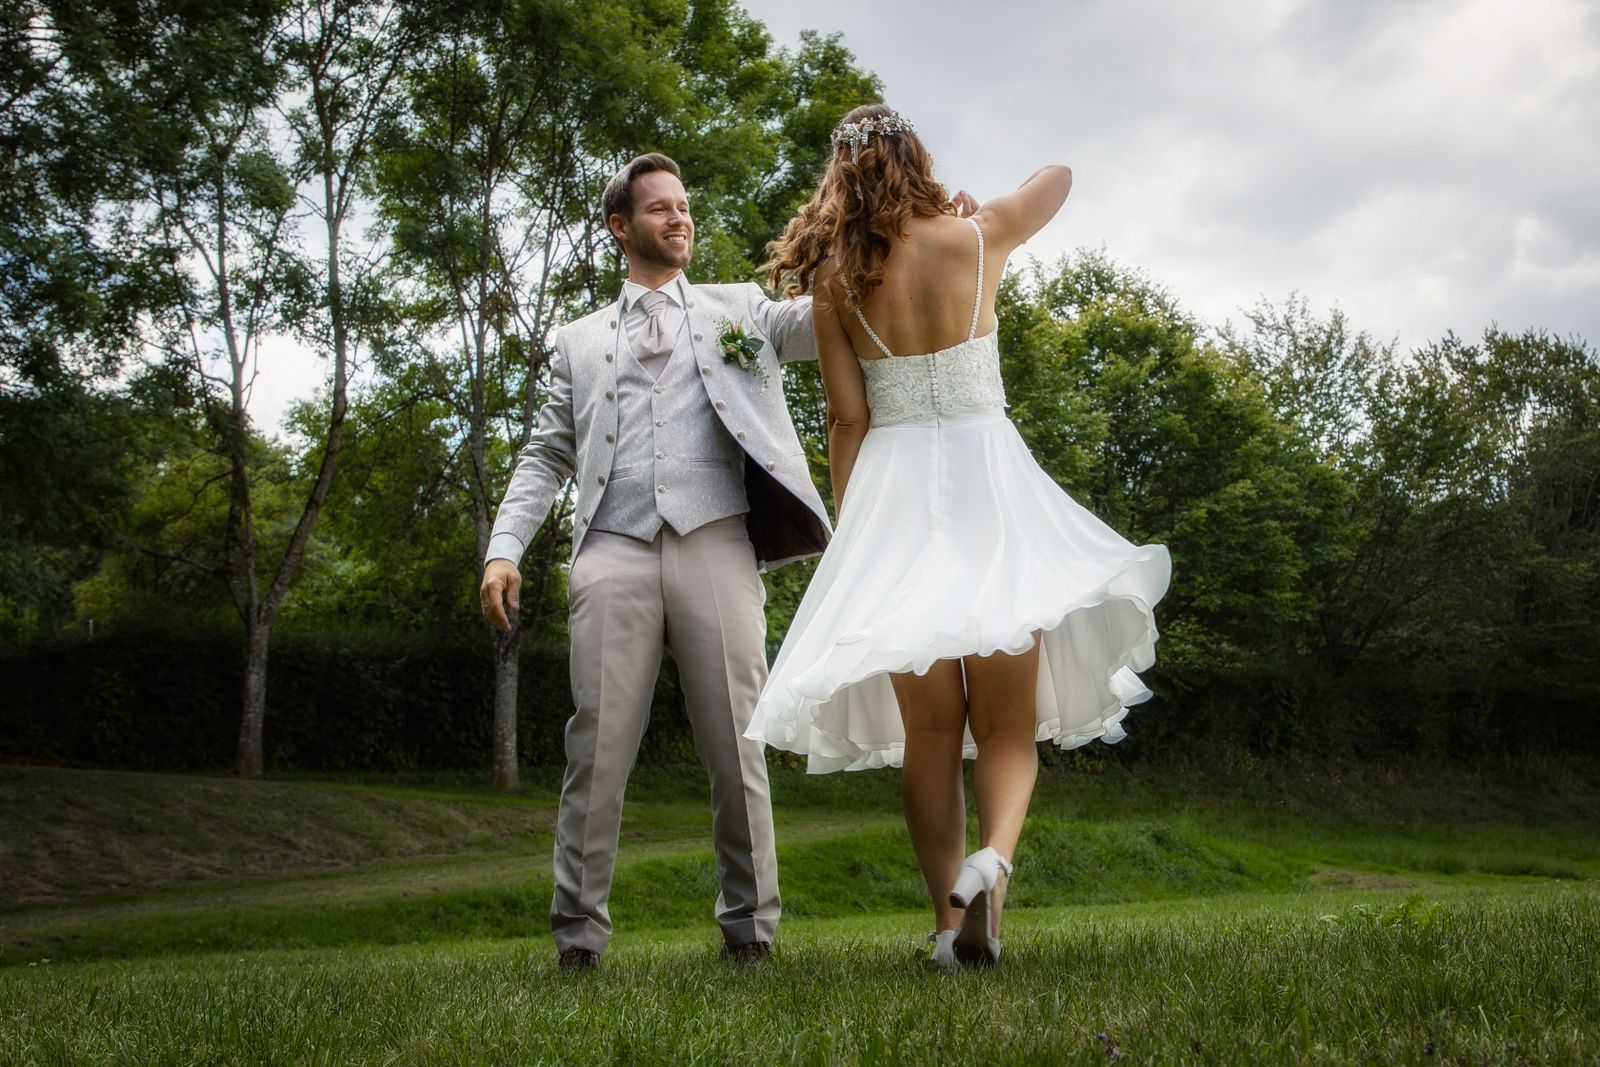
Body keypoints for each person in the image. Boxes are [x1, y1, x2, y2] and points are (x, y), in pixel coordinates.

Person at [746, 105, 1171, 968]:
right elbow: (1059, 177)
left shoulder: (836, 282)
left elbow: (847, 419)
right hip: (991, 491)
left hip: (897, 501)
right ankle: (995, 860)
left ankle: (948, 925)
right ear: (915, 158)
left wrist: (856, 532)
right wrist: (973, 203)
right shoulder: (978, 237)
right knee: (1008, 728)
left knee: (933, 737)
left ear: (841, 180)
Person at [479, 152, 830, 970]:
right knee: (595, 748)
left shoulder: (740, 309)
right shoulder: (576, 342)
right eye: (660, 208)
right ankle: (578, 938)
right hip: (612, 546)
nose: (680, 217)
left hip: (717, 540)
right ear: (620, 226)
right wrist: (503, 549)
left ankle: (750, 930)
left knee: (737, 743)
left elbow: (823, 323)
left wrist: (878, 236)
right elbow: (544, 454)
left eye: (684, 205)